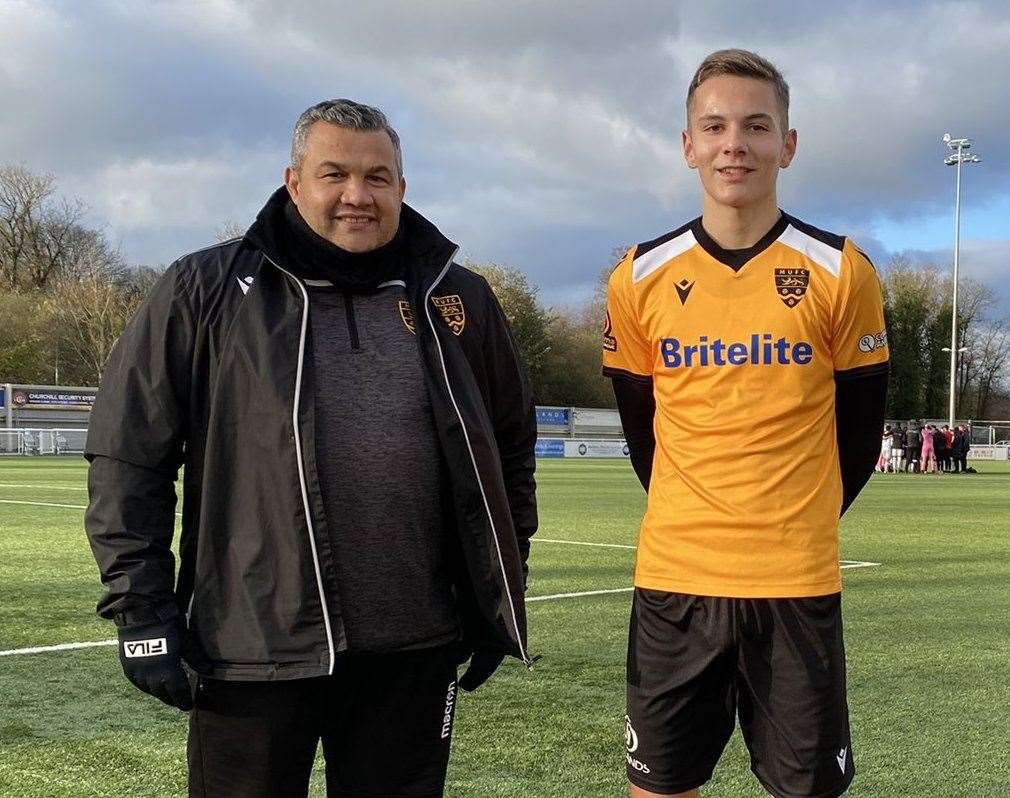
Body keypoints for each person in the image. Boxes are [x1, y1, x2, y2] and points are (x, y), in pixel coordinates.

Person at [84, 99, 537, 798]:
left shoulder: (461, 299)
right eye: (336, 174)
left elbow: (508, 456)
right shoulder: (204, 289)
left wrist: (495, 599)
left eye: (378, 177)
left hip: (415, 652)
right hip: (250, 650)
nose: (357, 195)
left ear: (402, 189)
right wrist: (141, 615)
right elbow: (128, 457)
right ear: (294, 181)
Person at [603, 49, 888, 798]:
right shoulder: (638, 275)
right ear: (689, 144)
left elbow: (859, 434)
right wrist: (690, 510)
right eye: (717, 126)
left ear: (787, 145)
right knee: (660, 788)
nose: (736, 144)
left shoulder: (840, 270)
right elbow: (644, 433)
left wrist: (798, 519)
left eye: (757, 126)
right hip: (675, 579)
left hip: (795, 581)